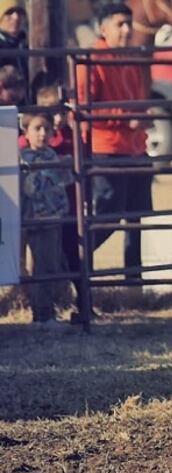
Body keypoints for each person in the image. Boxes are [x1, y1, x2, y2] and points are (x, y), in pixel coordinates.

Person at [76, 2, 153, 277]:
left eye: (129, 23)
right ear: (103, 27)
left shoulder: (130, 60)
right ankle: (76, 265)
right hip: (107, 147)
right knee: (109, 215)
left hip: (134, 147)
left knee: (136, 218)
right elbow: (85, 106)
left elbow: (137, 100)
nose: (127, 29)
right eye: (120, 23)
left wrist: (141, 115)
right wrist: (126, 117)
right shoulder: (93, 60)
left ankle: (134, 280)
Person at [20, 110, 73, 328]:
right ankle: (42, 315)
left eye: (47, 129)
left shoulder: (51, 155)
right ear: (26, 131)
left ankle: (47, 311)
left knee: (51, 265)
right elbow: (30, 189)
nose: (42, 133)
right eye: (37, 128)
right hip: (36, 218)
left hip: (54, 217)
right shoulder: (23, 159)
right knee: (42, 266)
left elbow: (64, 183)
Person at [0, 0, 29, 89]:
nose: (16, 17)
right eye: (9, 12)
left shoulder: (26, 45)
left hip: (26, 103)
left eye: (20, 12)